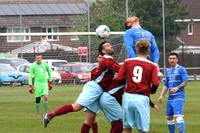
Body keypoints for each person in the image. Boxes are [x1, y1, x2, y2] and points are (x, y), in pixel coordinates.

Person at [43, 41, 120, 132]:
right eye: (107, 46)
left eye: (110, 45)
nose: (111, 46)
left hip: (98, 90)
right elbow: (117, 69)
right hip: (94, 88)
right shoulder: (107, 59)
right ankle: (50, 115)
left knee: (90, 119)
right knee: (76, 107)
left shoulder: (108, 60)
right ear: (103, 51)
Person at [116, 40, 160, 133]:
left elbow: (119, 78)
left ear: (136, 49)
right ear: (148, 50)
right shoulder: (152, 65)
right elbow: (156, 83)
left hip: (127, 97)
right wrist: (152, 91)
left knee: (126, 128)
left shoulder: (127, 62)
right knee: (143, 130)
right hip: (142, 98)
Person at [158, 52, 188, 133]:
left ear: (177, 60)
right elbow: (166, 85)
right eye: (170, 58)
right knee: (169, 117)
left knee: (178, 116)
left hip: (179, 97)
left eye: (174, 58)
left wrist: (177, 88)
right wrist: (161, 95)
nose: (172, 60)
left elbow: (185, 82)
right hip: (170, 98)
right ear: (168, 60)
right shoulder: (168, 71)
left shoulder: (181, 69)